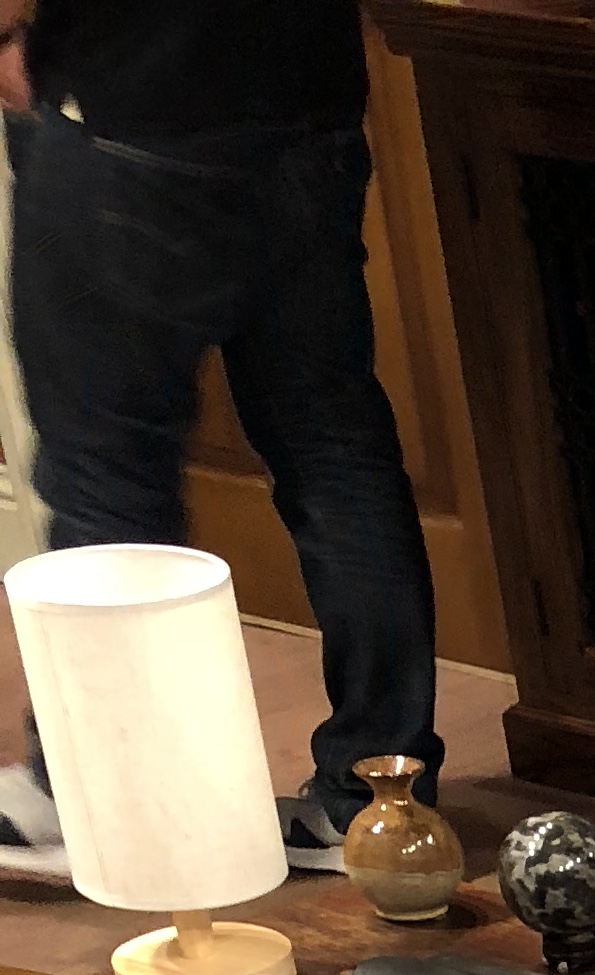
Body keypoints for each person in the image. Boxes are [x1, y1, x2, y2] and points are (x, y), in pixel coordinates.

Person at [0, 0, 442, 884]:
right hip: (310, 110)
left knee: (108, 476)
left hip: (126, 111)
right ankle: (376, 798)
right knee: (337, 456)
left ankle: (107, 801)